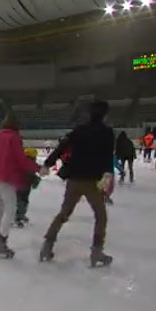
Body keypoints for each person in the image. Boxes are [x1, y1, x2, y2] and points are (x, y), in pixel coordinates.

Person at [39, 101, 114, 267]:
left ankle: (47, 245)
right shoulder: (107, 132)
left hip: (74, 179)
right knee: (101, 217)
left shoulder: (79, 130)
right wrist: (108, 176)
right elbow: (108, 157)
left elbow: (61, 148)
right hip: (94, 182)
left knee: (64, 214)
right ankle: (96, 251)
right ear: (104, 115)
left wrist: (47, 164)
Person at [0, 114, 39, 259]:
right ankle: (2, 243)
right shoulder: (14, 138)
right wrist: (37, 168)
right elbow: (21, 160)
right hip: (6, 179)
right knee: (10, 211)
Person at [14, 148, 42, 228]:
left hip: (23, 185)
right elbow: (32, 172)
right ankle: (17, 217)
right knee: (21, 202)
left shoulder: (22, 161)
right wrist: (36, 178)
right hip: (22, 185)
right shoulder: (29, 163)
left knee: (21, 201)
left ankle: (20, 215)